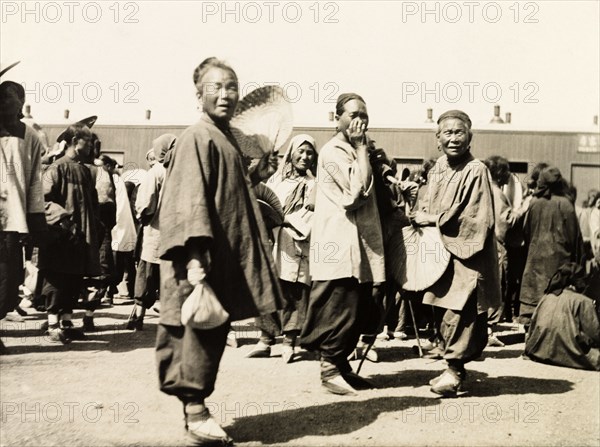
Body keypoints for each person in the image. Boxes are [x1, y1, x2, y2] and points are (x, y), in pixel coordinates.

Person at [156, 57, 284, 446]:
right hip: (201, 255)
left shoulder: (225, 137)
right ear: (199, 94)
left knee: (211, 327)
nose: (226, 94)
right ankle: (195, 413)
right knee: (195, 328)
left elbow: (228, 189)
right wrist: (195, 255)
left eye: (232, 87)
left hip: (222, 253)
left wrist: (256, 176)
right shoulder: (198, 136)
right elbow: (190, 198)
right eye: (216, 87)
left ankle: (196, 409)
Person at [410, 110, 501, 397]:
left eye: (458, 132)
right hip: (442, 253)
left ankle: (455, 371)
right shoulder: (438, 167)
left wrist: (433, 219)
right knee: (442, 309)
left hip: (467, 255)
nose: (453, 138)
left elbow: (476, 219)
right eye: (446, 133)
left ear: (469, 137)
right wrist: (420, 212)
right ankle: (452, 367)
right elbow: (428, 202)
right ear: (437, 139)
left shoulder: (476, 170)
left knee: (462, 313)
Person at [300, 93, 385, 396]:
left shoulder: (358, 150)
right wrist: (362, 149)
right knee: (339, 306)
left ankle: (342, 366)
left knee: (361, 305)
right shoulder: (333, 151)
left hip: (361, 246)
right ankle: (329, 369)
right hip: (339, 245)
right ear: (337, 118)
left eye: (364, 113)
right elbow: (353, 194)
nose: (359, 120)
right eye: (353, 114)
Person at [246, 134, 317, 363]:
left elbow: (312, 217)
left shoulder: (314, 185)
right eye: (301, 151)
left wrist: (287, 221)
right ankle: (266, 340)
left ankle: (289, 342)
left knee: (293, 293)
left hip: (296, 243)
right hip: (272, 241)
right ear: (292, 152)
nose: (305, 157)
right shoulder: (276, 181)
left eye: (309, 153)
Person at [39, 123, 101, 343]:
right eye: (89, 141)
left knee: (74, 279)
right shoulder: (56, 168)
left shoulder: (85, 170)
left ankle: (66, 322)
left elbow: (92, 203)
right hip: (60, 237)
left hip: (80, 238)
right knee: (57, 278)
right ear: (76, 142)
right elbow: (43, 199)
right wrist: (63, 219)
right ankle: (53, 324)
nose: (93, 146)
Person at [0, 71, 46, 352]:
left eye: (8, 99)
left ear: (21, 103)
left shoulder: (29, 135)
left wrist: (35, 219)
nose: (3, 103)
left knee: (10, 281)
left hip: (12, 219)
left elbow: (35, 182)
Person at [519, 166, 585, 328]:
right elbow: (574, 238)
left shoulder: (534, 203)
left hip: (534, 263)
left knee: (533, 309)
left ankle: (531, 344)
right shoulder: (566, 205)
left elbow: (526, 233)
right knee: (555, 311)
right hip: (559, 265)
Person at [127, 134, 176, 331]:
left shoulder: (157, 171)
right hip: (177, 234)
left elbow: (145, 202)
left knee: (147, 274)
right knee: (171, 276)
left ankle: (138, 316)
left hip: (156, 232)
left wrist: (142, 217)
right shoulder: (183, 169)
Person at [524, 262, 600, 371]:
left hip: (537, 350)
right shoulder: (583, 301)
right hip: (569, 353)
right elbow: (595, 333)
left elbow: (533, 327)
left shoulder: (546, 297)